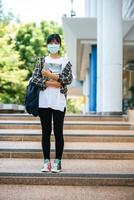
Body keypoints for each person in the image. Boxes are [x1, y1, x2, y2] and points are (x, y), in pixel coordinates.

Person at [31, 34, 73, 173]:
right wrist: (54, 82)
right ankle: (46, 162)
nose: (53, 45)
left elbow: (67, 80)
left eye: (56, 42)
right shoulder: (42, 60)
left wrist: (49, 75)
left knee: (58, 132)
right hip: (44, 101)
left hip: (59, 101)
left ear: (60, 45)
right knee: (46, 132)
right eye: (50, 42)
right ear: (47, 45)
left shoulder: (66, 61)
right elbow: (35, 79)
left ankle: (58, 162)